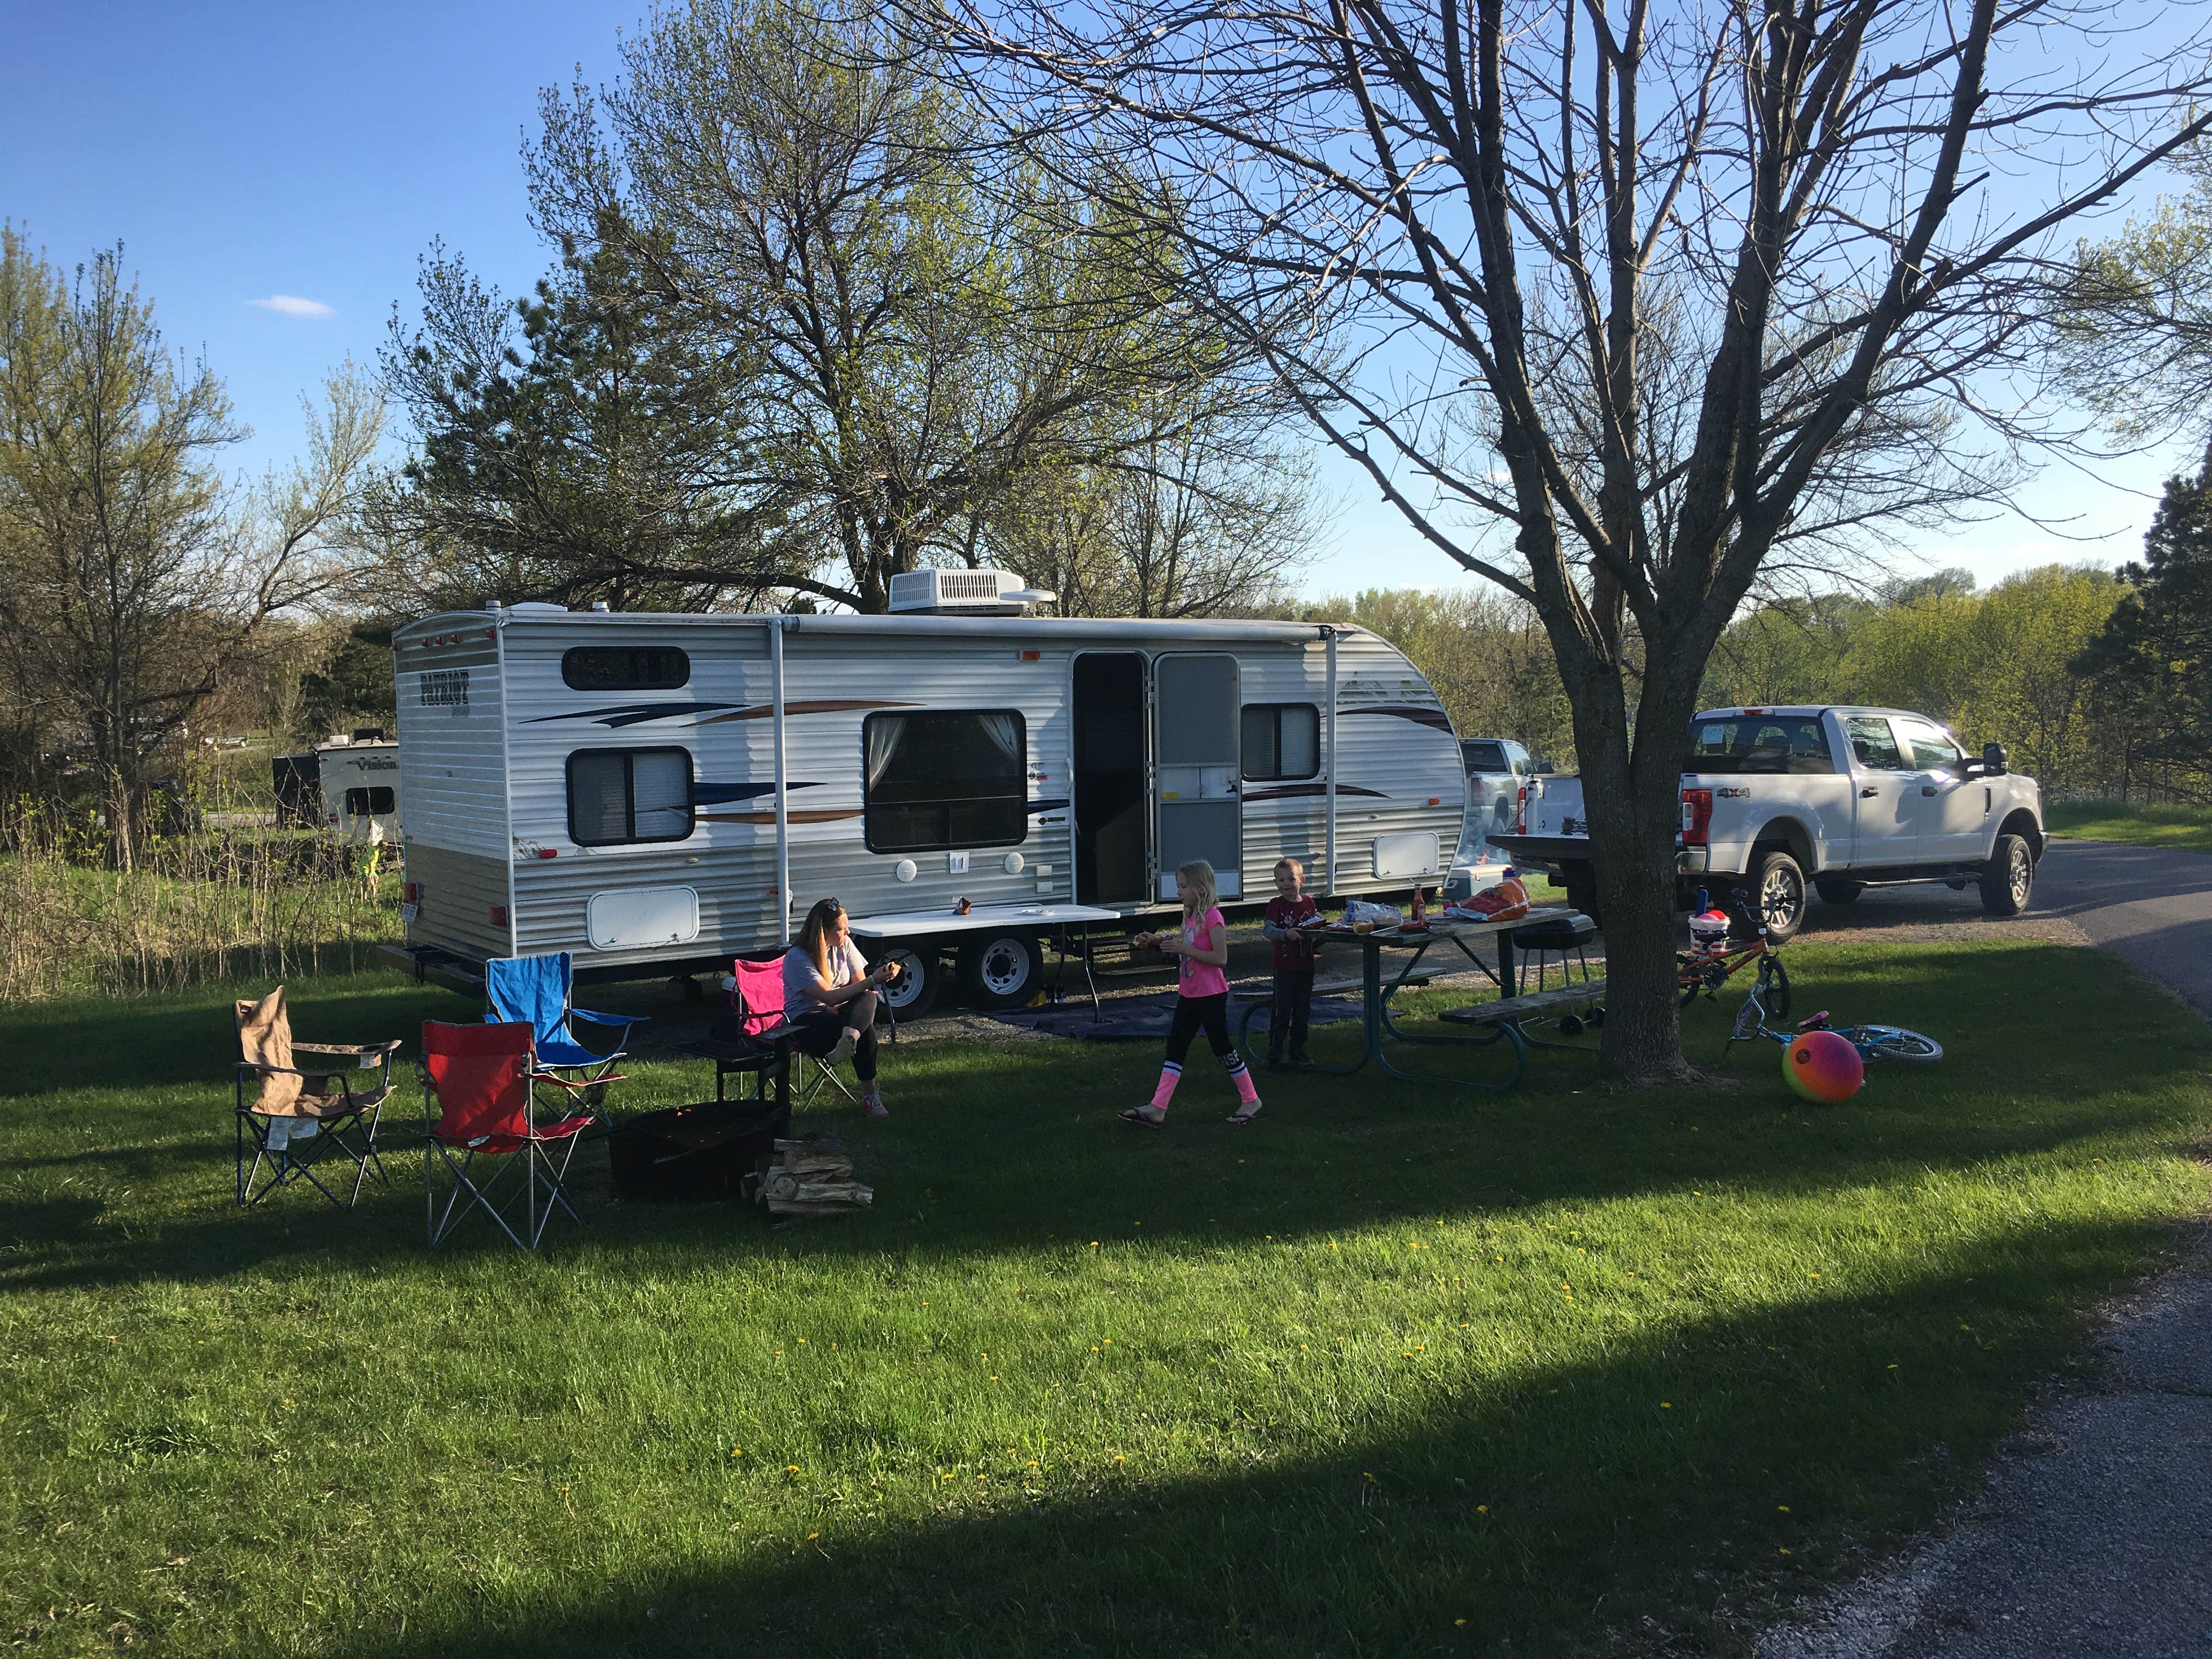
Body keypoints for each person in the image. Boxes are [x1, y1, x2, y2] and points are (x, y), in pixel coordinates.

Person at [1121, 859, 1263, 1128]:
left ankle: (1251, 1099)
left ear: (1201, 887)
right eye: (1179, 886)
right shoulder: (1189, 917)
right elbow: (1184, 945)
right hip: (1189, 994)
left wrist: (1184, 950)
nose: (1179, 892)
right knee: (1176, 1047)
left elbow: (1220, 959)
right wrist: (1158, 941)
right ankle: (1158, 1107)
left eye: (1184, 886)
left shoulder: (1213, 918)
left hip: (1211, 995)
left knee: (1221, 1047)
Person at [783, 898, 899, 1118]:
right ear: (822, 931)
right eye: (840, 929)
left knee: (869, 998)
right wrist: (873, 980)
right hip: (804, 1022)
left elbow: (859, 987)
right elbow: (829, 997)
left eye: (847, 927)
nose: (846, 933)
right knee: (868, 1029)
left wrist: (879, 978)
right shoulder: (797, 957)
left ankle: (849, 1039)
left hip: (839, 1016)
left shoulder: (844, 944)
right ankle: (870, 1097)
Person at [1259, 856, 1321, 1070]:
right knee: (1281, 1013)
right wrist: (1286, 934)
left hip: (1306, 967)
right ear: (1276, 883)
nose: (1286, 884)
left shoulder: (1309, 903)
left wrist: (1325, 929)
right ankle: (1274, 1056)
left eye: (1290, 879)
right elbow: (1268, 931)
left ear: (1301, 880)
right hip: (1284, 968)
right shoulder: (1276, 905)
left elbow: (1317, 924)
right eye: (1281, 880)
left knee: (1303, 1012)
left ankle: (1298, 1052)